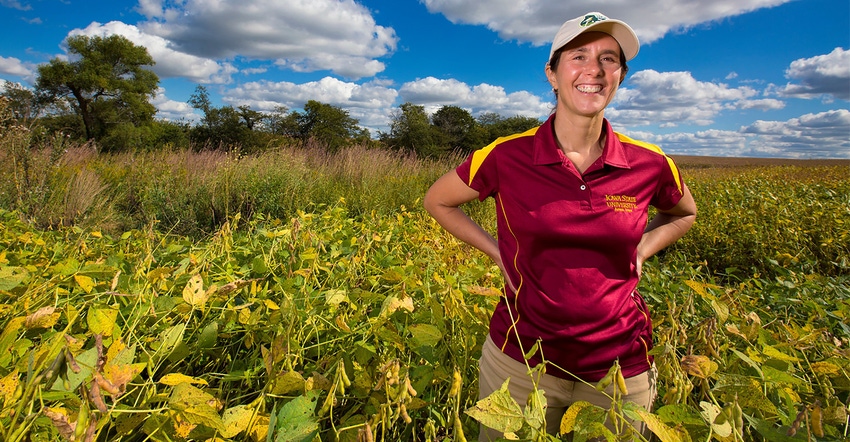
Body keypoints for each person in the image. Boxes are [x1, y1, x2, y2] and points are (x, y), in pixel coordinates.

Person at [423, 11, 697, 441]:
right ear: (552, 74)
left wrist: (642, 249)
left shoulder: (650, 162)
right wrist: (497, 251)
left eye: (609, 59)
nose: (594, 69)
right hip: (518, 362)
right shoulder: (505, 155)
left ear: (620, 77)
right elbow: (438, 201)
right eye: (578, 56)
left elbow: (684, 213)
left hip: (619, 371)